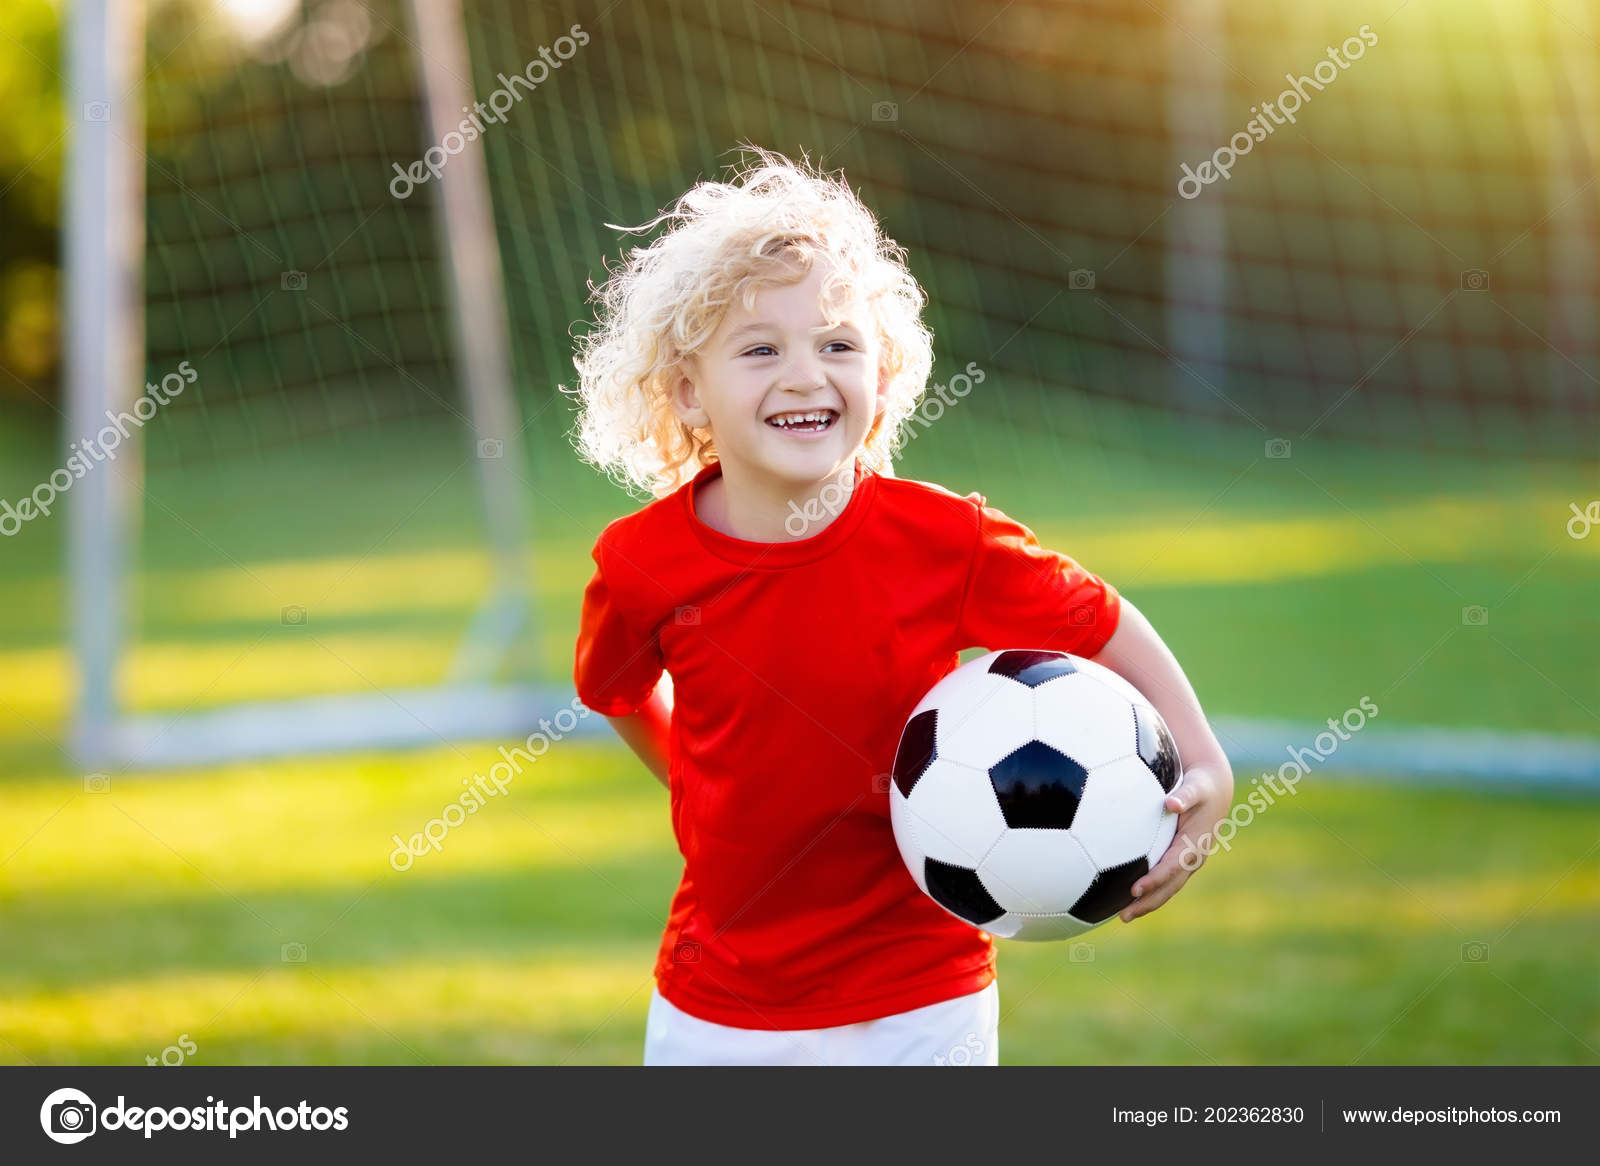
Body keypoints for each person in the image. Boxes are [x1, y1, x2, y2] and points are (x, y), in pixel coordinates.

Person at [565, 148, 1234, 1065]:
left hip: (924, 994)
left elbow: (1101, 620)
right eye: (761, 349)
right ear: (688, 392)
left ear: (882, 375)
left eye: (839, 345)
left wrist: (1203, 758)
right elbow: (614, 689)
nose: (805, 375)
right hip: (719, 1000)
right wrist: (695, 775)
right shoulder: (642, 563)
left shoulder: (943, 541)